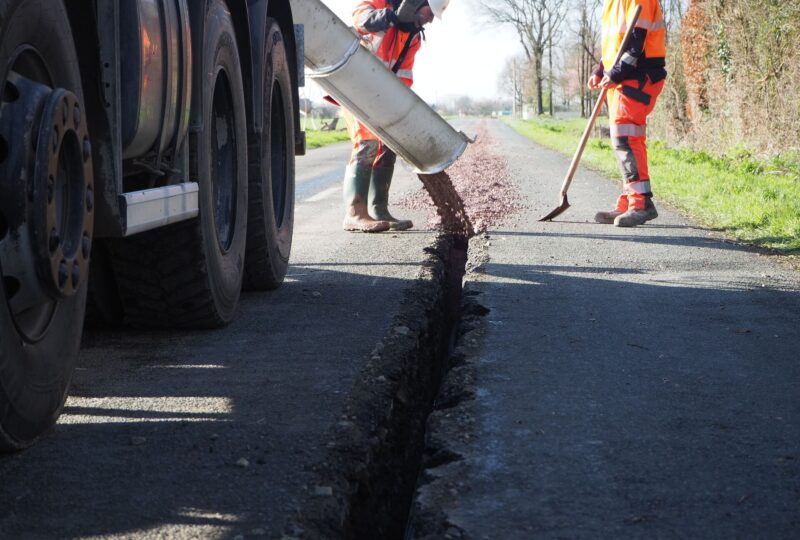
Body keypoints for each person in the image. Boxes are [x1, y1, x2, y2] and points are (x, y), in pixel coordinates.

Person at [341, 0, 450, 233]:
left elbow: (403, 78)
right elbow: (360, 20)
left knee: (388, 145)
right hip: (354, 86)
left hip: (383, 96)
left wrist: (400, 115)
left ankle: (379, 209)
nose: (430, 19)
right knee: (367, 142)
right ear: (414, 3)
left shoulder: (413, 37)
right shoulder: (379, 5)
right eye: (429, 12)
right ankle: (355, 212)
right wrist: (391, 16)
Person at [589, 0, 667, 227]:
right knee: (624, 139)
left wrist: (616, 73)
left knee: (626, 138)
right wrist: (601, 70)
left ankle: (640, 203)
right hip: (622, 77)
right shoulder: (611, 3)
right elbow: (616, 45)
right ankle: (630, 200)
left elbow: (636, 43)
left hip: (639, 75)